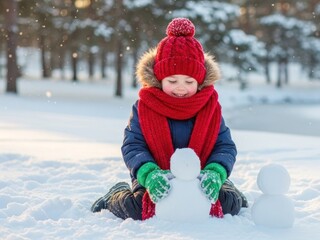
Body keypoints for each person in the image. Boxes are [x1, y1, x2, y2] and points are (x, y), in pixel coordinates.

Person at [91, 18, 247, 220]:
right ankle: (115, 194)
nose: (180, 87)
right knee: (139, 208)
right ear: (159, 79)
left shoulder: (210, 107)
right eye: (172, 81)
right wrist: (149, 173)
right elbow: (133, 145)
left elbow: (225, 146)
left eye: (189, 81)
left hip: (201, 176)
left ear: (199, 81)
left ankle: (229, 188)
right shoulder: (144, 106)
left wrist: (215, 172)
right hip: (155, 177)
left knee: (226, 204)